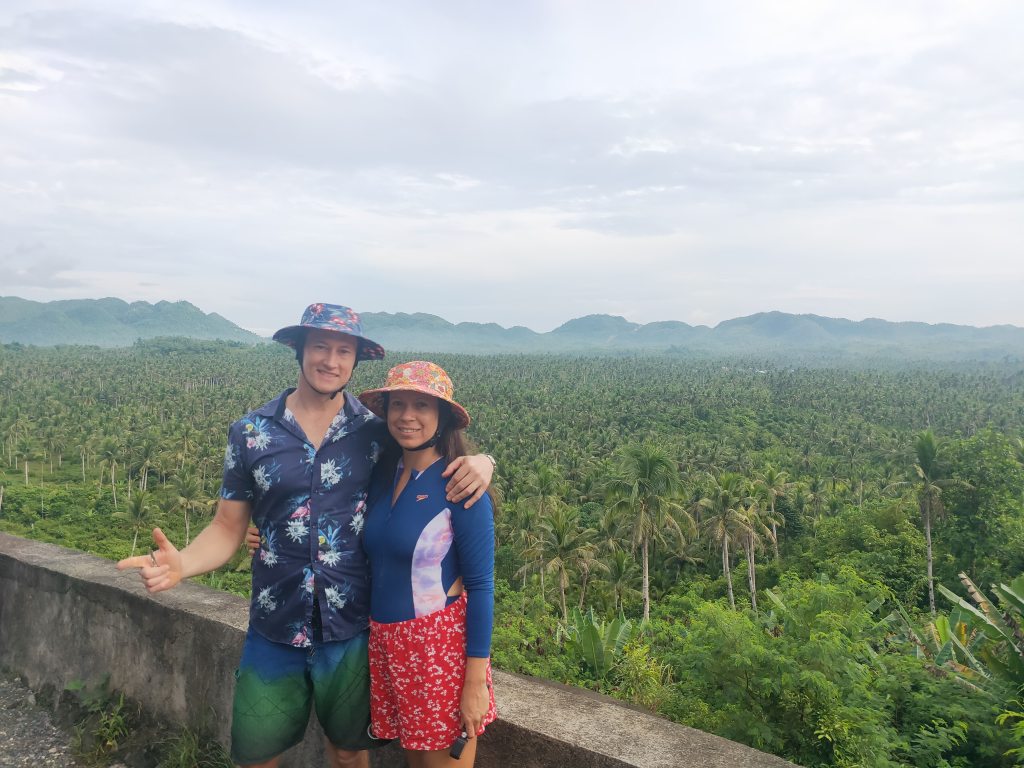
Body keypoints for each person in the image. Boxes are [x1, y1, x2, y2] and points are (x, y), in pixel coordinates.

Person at [117, 304, 494, 768]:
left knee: (350, 751)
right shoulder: (251, 433)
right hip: (276, 622)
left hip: (352, 626)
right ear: (299, 349)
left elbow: (433, 448)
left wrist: (484, 463)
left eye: (343, 351)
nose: (330, 361)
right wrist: (183, 565)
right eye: (320, 346)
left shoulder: (377, 433)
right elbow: (227, 526)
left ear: (356, 361)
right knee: (257, 752)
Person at [357, 361, 497, 767]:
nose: (407, 416)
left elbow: (482, 588)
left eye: (421, 404)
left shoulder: (460, 486)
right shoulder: (384, 474)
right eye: (397, 404)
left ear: (442, 418)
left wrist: (475, 683)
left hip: (438, 650)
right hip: (387, 644)